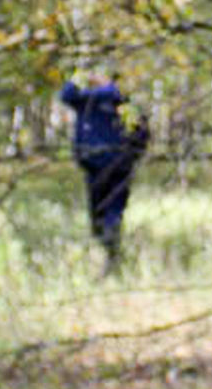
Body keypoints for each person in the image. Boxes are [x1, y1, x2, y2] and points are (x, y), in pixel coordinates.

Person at [59, 72, 147, 262]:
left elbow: (66, 94)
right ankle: (110, 251)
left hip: (102, 164)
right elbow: (141, 133)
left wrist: (80, 77)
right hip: (112, 165)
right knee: (111, 211)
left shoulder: (91, 99)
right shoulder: (118, 101)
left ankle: (110, 252)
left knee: (103, 211)